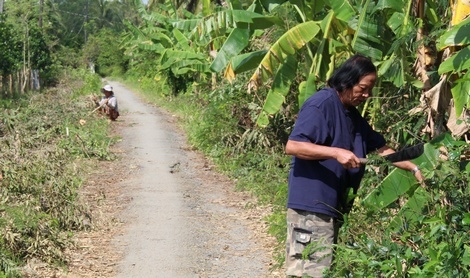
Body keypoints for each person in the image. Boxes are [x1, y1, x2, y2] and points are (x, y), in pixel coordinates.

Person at [284, 54, 424, 277]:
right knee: (311, 271)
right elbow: (293, 145)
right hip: (311, 206)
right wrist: (336, 152)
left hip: (331, 206)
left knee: (321, 268)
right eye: (363, 88)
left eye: (370, 89)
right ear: (346, 81)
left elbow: (382, 150)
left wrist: (414, 168)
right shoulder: (321, 104)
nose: (367, 95)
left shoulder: (352, 116)